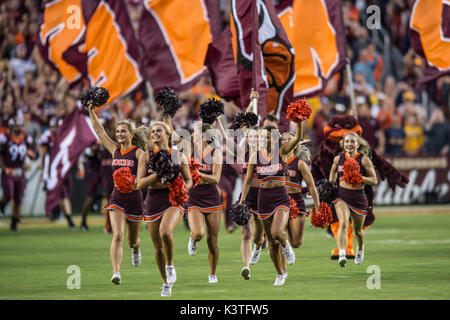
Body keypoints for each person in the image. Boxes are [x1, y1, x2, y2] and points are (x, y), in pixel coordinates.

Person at [88, 102, 149, 285]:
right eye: (118, 131)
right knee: (117, 236)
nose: (120, 134)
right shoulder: (114, 149)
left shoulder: (139, 153)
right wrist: (91, 111)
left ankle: (136, 249)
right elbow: (100, 132)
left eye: (123, 131)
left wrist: (132, 182)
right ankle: (116, 272)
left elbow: (142, 179)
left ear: (131, 134)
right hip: (117, 197)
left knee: (132, 241)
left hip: (135, 199)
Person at [239, 120, 303, 286]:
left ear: (274, 139)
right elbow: (247, 182)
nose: (263, 140)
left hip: (280, 197)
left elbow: (298, 138)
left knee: (276, 232)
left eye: (267, 138)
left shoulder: (282, 152)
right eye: (262, 138)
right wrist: (242, 200)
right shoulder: (255, 156)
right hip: (263, 198)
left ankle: (286, 245)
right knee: (271, 243)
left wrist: (300, 122)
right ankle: (280, 274)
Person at [136, 121, 192, 297]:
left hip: (172, 198)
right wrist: (157, 175)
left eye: (158, 130)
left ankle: (170, 265)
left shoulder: (177, 155)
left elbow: (189, 179)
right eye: (152, 131)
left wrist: (183, 188)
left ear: (168, 133)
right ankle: (165, 283)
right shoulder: (146, 156)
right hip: (153, 200)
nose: (154, 133)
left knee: (166, 232)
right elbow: (139, 183)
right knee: (157, 248)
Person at [216, 118, 264, 280]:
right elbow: (225, 140)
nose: (253, 140)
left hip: (265, 197)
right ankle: (246, 266)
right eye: (251, 137)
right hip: (246, 197)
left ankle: (259, 247)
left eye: (256, 137)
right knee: (246, 234)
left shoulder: (268, 154)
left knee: (260, 237)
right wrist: (217, 119)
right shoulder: (243, 153)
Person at [329, 132, 378, 267]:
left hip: (358, 198)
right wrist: (331, 183)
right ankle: (342, 254)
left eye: (352, 142)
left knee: (358, 231)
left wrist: (360, 178)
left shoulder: (364, 160)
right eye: (347, 142)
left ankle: (360, 249)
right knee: (343, 223)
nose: (349, 144)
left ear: (358, 144)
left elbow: (374, 180)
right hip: (341, 196)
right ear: (343, 144)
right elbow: (333, 171)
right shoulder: (338, 159)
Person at [186, 123, 223, 284]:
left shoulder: (216, 153)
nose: (191, 135)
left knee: (212, 240)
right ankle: (193, 238)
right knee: (199, 233)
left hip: (212, 197)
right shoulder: (190, 151)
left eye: (194, 132)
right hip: (194, 196)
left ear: (202, 135)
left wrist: (198, 173)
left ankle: (212, 274)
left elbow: (216, 179)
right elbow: (171, 132)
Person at [280, 132, 320, 250]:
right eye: (284, 139)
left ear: (296, 144)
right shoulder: (275, 161)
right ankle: (283, 262)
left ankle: (286, 242)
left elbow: (311, 186)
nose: (286, 141)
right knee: (278, 234)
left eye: (290, 139)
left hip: (296, 201)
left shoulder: (300, 163)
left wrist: (317, 207)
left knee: (296, 243)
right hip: (280, 200)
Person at [0, 118, 37, 231]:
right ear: (11, 127)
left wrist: (31, 155)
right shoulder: (4, 138)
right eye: (18, 126)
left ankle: (14, 221)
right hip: (9, 171)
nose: (20, 128)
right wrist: (5, 169)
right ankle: (1, 206)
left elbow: (33, 155)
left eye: (21, 126)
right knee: (8, 195)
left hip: (20, 172)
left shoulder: (26, 138)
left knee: (18, 199)